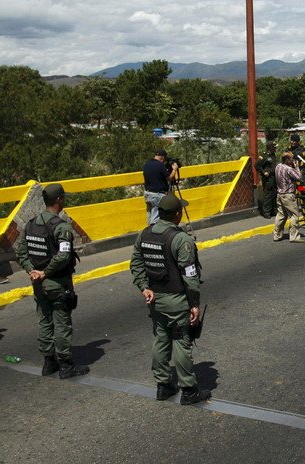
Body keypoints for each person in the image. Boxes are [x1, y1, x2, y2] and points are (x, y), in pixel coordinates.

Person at [130, 194, 211, 405]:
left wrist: (144, 287)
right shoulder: (181, 240)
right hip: (177, 300)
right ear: (177, 214)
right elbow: (190, 276)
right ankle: (188, 390)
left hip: (156, 299)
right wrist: (194, 304)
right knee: (181, 341)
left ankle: (163, 385)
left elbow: (136, 263)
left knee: (160, 339)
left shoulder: (145, 234)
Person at [15, 184, 89, 378]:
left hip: (38, 283)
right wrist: (45, 272)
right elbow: (64, 256)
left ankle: (49, 362)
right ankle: (65, 365)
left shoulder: (31, 224)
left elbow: (20, 251)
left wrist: (32, 271)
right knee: (62, 322)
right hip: (56, 282)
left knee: (45, 320)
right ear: (58, 200)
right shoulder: (61, 227)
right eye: (63, 197)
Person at [273, 153, 305, 243]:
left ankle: (277, 235)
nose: (293, 160)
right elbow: (299, 177)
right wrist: (297, 167)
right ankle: (294, 236)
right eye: (291, 158)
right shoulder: (289, 169)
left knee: (281, 215)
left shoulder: (278, 166)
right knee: (294, 215)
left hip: (280, 194)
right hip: (288, 195)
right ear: (287, 159)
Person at [143, 148, 179, 225]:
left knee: (150, 216)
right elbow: (169, 178)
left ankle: (149, 231)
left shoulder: (147, 164)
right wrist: (174, 169)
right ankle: (154, 231)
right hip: (157, 195)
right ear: (162, 158)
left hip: (148, 194)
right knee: (155, 219)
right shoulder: (160, 165)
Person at [288, 134, 305, 227]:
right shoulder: (288, 150)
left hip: (302, 176)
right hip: (291, 177)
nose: (293, 142)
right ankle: (294, 221)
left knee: (304, 198)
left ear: (298, 141)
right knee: (293, 199)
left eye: (295, 141)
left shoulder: (303, 150)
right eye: (292, 140)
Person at [256, 142, 278, 219]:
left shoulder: (273, 155)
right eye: (274, 147)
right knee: (268, 195)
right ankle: (266, 212)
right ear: (270, 148)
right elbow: (257, 165)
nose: (275, 148)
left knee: (274, 194)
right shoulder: (264, 156)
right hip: (268, 179)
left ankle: (273, 210)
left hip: (274, 177)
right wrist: (263, 172)